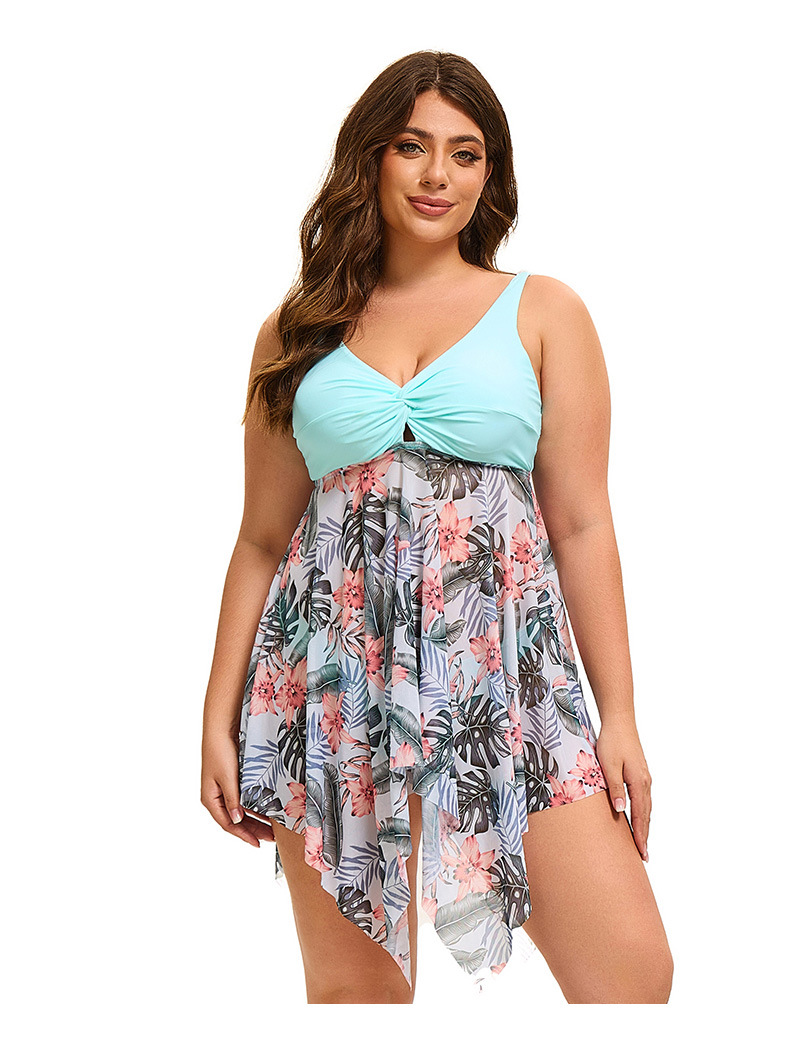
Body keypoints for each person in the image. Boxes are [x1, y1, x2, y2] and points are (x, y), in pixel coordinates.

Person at [201, 50, 674, 1004]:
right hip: (328, 689)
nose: (437, 175)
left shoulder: (545, 312)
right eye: (412, 147)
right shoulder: (297, 330)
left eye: (465, 154)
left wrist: (619, 714)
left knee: (631, 975)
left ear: (489, 174)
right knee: (357, 1003)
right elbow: (259, 541)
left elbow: (583, 525)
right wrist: (218, 719)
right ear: (370, 157)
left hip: (508, 685)